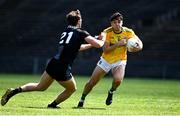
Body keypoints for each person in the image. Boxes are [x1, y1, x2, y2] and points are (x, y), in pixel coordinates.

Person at [1, 9, 105, 108]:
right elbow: (99, 45)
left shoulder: (66, 31)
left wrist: (91, 43)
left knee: (40, 87)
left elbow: (77, 47)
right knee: (72, 89)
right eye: (81, 19)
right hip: (63, 67)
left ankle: (14, 91)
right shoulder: (81, 32)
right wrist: (104, 37)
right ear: (78, 21)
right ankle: (53, 105)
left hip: (54, 63)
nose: (81, 21)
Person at [77, 12, 142, 107]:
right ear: (111, 23)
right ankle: (82, 98)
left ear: (122, 22)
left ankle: (111, 91)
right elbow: (106, 50)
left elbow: (139, 43)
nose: (117, 24)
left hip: (120, 60)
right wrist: (118, 44)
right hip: (106, 60)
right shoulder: (107, 32)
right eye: (115, 22)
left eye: (119, 22)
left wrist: (138, 47)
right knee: (91, 83)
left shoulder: (128, 32)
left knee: (118, 80)